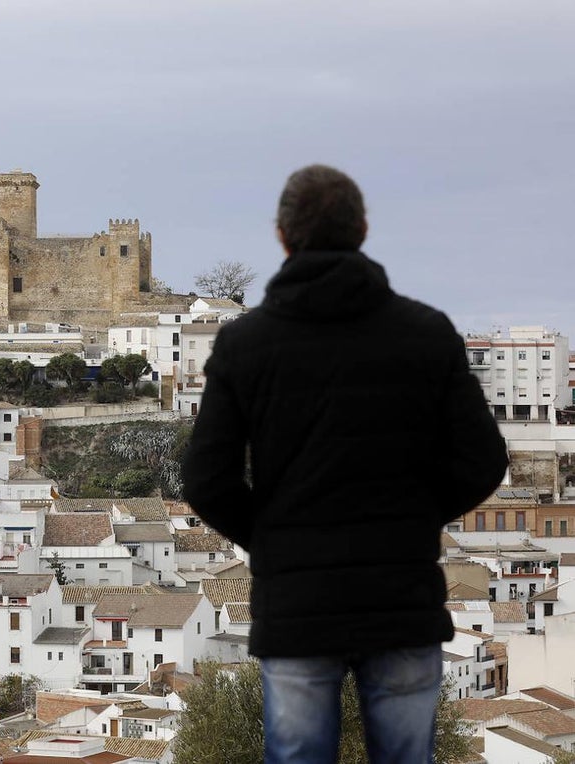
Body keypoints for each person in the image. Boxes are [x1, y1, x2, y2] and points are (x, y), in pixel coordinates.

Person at [181, 164, 507, 763]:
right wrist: (413, 520)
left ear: (282, 236)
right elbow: (483, 459)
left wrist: (274, 537)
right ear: (362, 229)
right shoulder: (427, 333)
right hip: (402, 597)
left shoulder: (245, 345)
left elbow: (206, 478)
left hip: (297, 607)